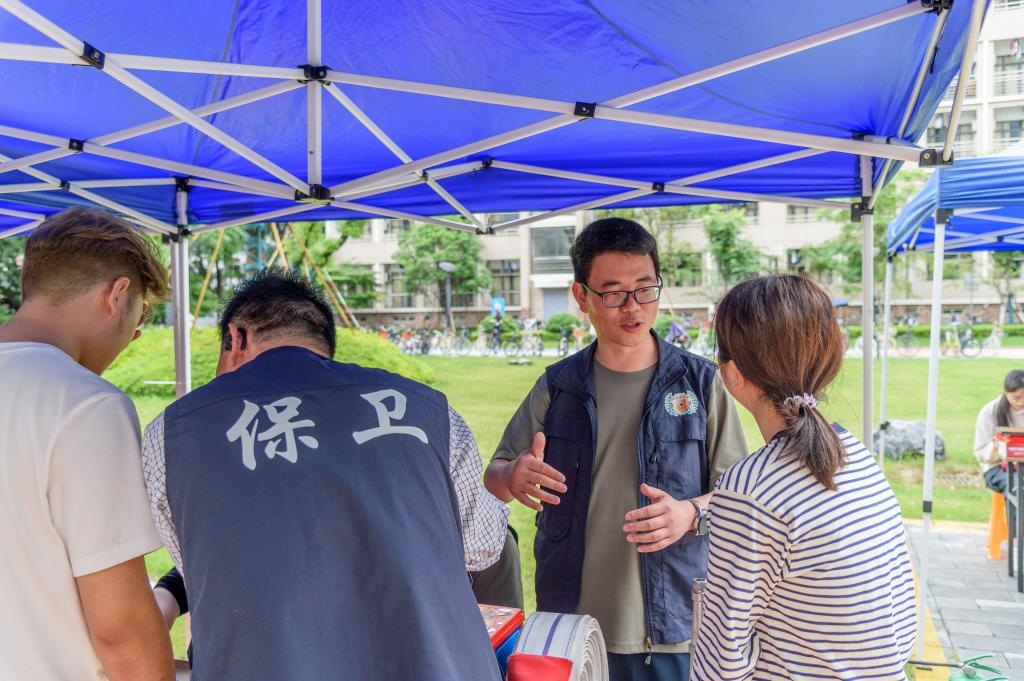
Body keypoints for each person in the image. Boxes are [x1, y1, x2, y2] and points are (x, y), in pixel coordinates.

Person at [141, 269, 506, 681]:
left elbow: (197, 564)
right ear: (323, 346)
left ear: (236, 338)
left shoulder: (173, 433)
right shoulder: (429, 410)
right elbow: (481, 545)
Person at [484, 217, 748, 681]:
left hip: (673, 623)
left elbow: (740, 496)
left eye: (645, 289)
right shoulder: (558, 386)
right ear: (581, 296)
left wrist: (690, 513)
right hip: (573, 625)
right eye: (613, 293)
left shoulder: (701, 383)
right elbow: (496, 476)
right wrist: (513, 476)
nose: (633, 307)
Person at [691, 274, 915, 680]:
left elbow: (720, 660)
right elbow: (901, 621)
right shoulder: (858, 458)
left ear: (733, 373)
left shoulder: (751, 490)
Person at [0, 207, 174, 680]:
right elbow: (122, 632)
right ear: (117, 295)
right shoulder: (85, 404)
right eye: (139, 315)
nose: (134, 336)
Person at [974, 369, 1024, 494]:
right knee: (1018, 488)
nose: (1021, 402)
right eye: (1017, 397)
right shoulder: (989, 412)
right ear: (1006, 392)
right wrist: (998, 447)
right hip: (997, 467)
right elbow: (981, 453)